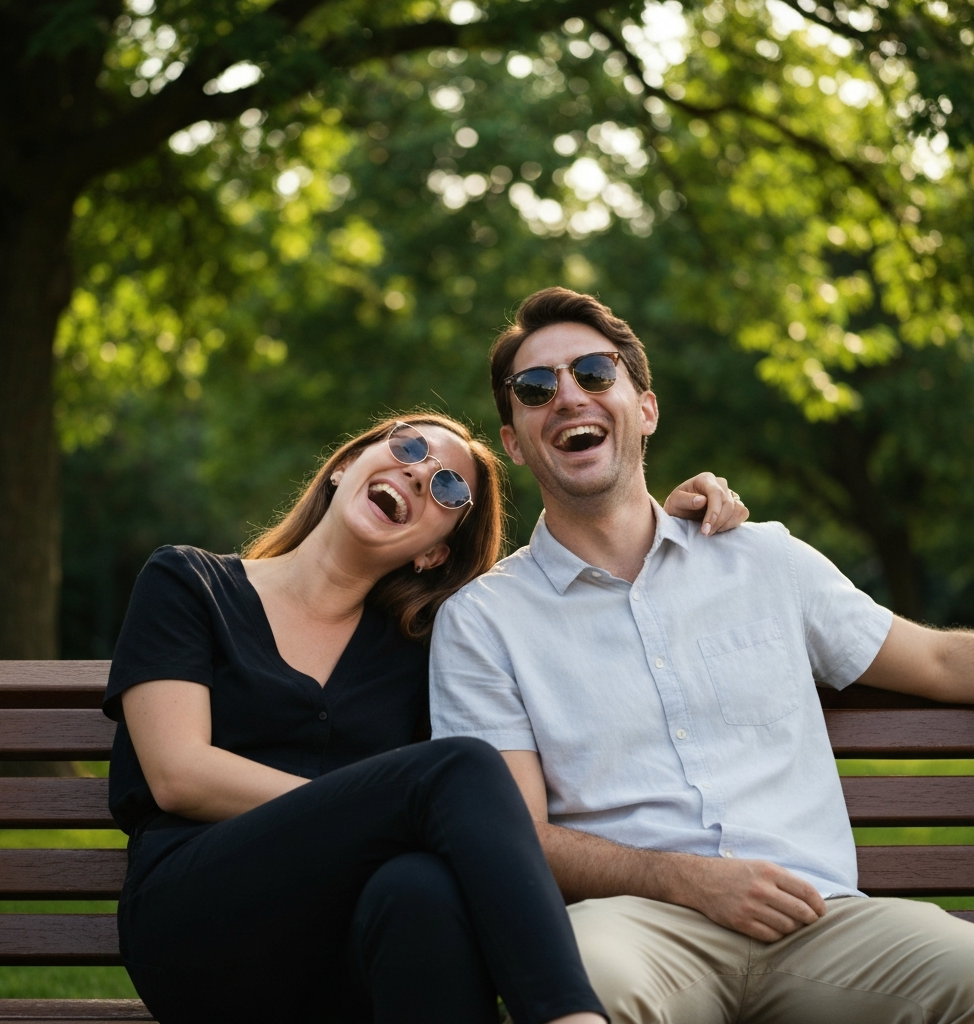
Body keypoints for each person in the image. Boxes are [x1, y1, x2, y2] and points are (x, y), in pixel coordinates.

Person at [429, 288, 974, 1024]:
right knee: (583, 991)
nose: (569, 396)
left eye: (594, 372)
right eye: (535, 388)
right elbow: (514, 836)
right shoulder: (482, 622)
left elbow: (940, 663)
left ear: (646, 409)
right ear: (515, 442)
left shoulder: (764, 559)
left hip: (823, 922)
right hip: (633, 928)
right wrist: (685, 880)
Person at [104, 410, 741, 1024]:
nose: (417, 473)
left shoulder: (422, 649)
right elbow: (178, 774)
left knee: (422, 889)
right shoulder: (189, 583)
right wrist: (376, 807)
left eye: (448, 487)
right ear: (345, 466)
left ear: (434, 554)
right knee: (457, 769)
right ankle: (568, 1016)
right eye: (408, 447)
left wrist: (654, 527)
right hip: (197, 924)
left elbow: (571, 636)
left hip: (347, 952)